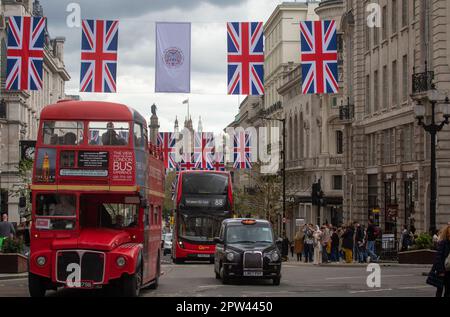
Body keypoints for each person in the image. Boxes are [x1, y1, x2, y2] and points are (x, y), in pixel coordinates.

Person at [428, 225, 450, 297]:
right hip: (443, 271)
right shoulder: (443, 243)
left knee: (448, 291)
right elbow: (438, 258)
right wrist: (440, 271)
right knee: (439, 290)